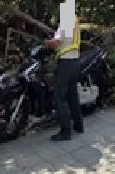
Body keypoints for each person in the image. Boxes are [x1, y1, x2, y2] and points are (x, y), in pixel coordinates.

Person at [44, 8, 83, 141]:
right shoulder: (75, 22)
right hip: (75, 62)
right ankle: (78, 125)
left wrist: (46, 43)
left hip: (65, 64)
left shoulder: (65, 23)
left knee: (60, 98)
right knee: (73, 96)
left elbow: (56, 43)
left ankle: (65, 132)